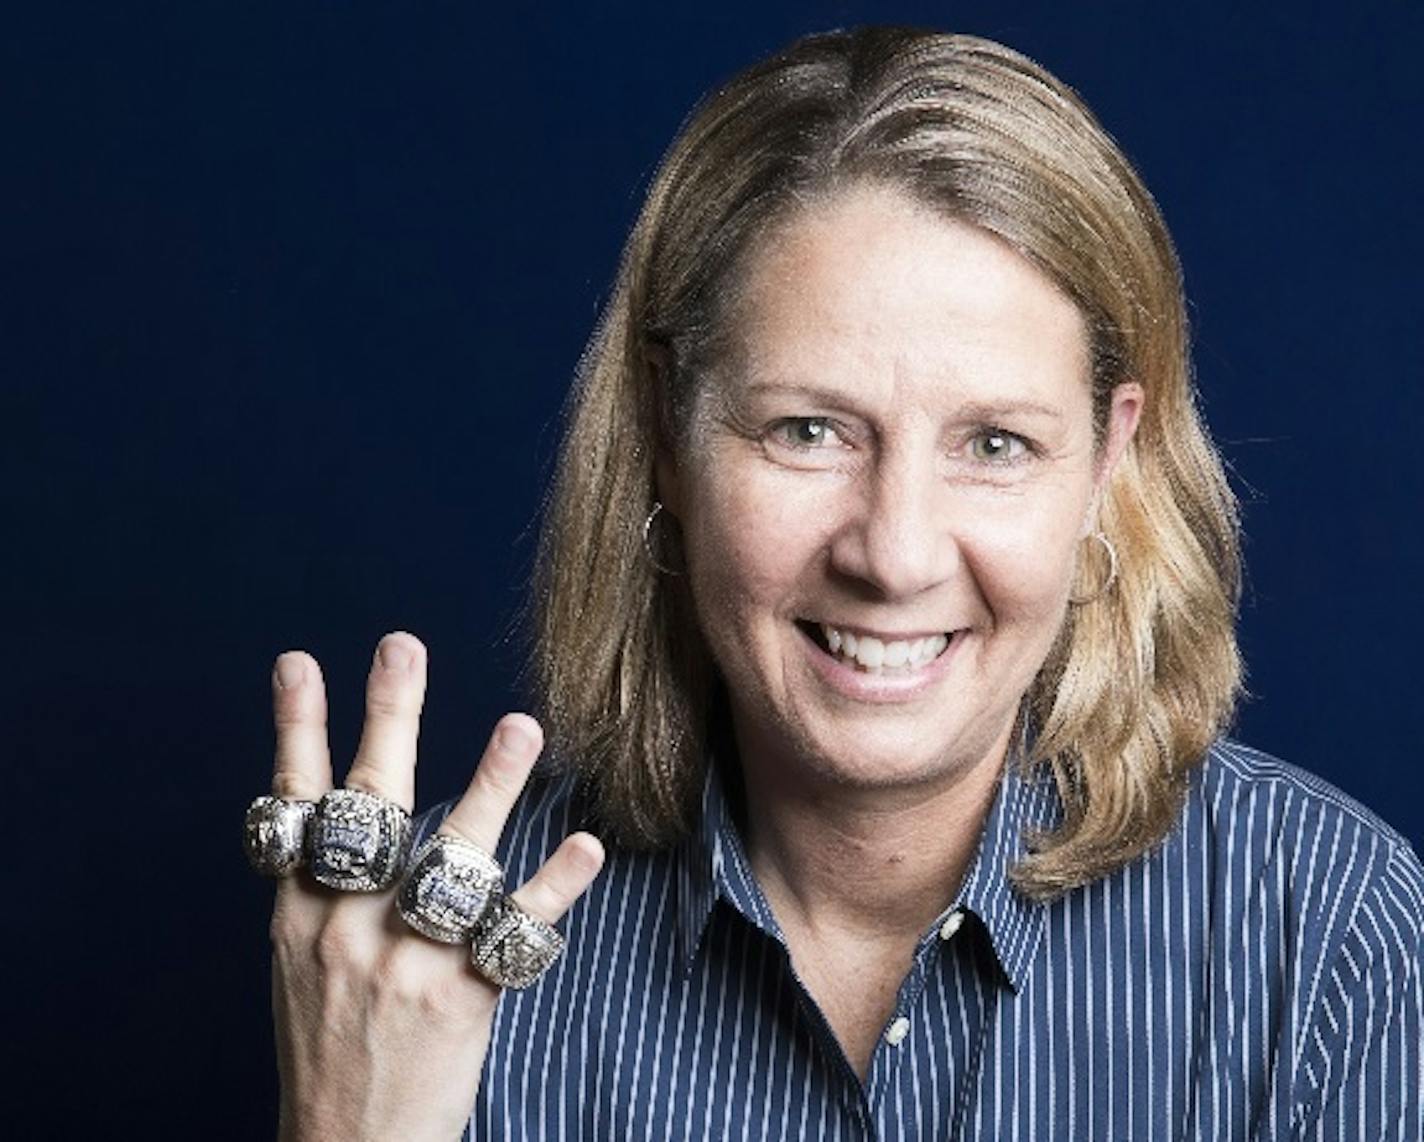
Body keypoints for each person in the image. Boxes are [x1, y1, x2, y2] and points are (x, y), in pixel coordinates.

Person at [245, 27, 1424, 1141]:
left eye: (994, 443)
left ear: (1107, 460)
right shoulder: (434, 972)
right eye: (808, 430)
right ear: (667, 427)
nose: (894, 552)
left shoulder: (1326, 936)